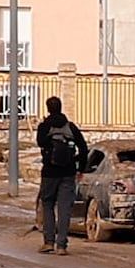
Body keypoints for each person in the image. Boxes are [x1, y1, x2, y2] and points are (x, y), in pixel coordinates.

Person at [33, 95, 94, 251]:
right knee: (65, 208)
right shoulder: (71, 127)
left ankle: (48, 242)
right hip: (68, 172)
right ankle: (62, 245)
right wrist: (79, 167)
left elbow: (40, 142)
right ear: (61, 107)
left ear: (48, 108)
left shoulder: (44, 127)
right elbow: (84, 148)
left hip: (49, 173)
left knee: (47, 205)